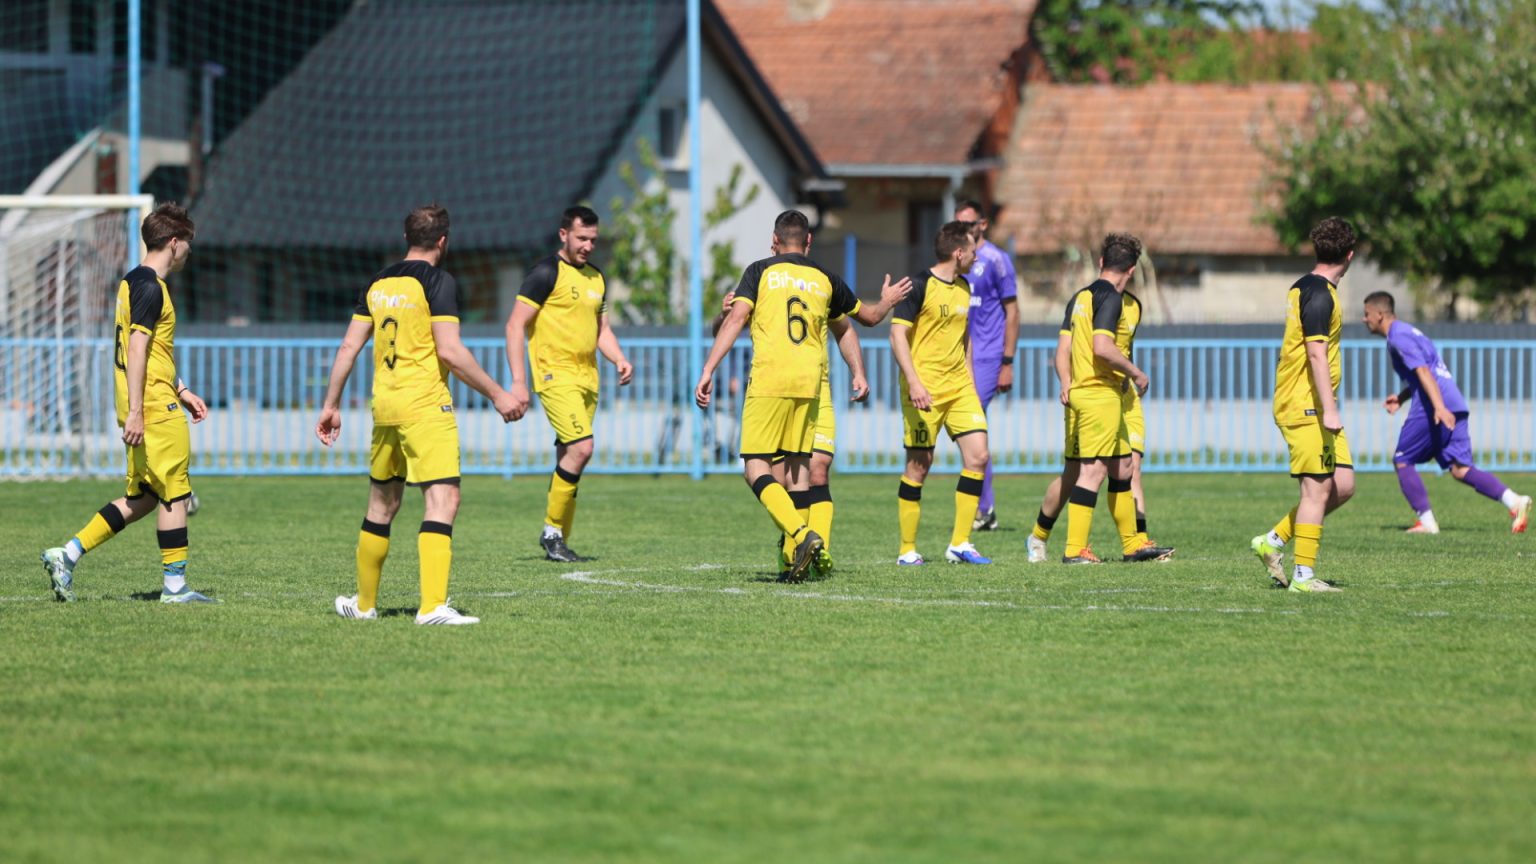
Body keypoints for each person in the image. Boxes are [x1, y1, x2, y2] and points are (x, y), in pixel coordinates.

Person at [317, 204, 519, 625]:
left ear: (406, 237)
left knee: (382, 504)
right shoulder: (438, 281)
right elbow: (450, 350)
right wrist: (498, 394)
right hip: (425, 406)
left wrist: (331, 405)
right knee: (444, 499)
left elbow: (348, 346)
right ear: (443, 241)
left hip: (385, 407)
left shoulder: (377, 282)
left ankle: (364, 605)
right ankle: (432, 607)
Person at [695, 209, 908, 582]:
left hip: (770, 380)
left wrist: (708, 369)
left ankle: (802, 535)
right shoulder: (825, 278)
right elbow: (870, 317)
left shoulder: (760, 272)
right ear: (809, 241)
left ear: (773, 241)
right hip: (809, 383)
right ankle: (796, 559)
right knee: (797, 472)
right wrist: (887, 300)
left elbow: (734, 321)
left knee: (757, 468)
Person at [40, 204, 215, 604]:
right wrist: (139, 411)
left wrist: (182, 390)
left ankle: (67, 554)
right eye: (187, 243)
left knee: (144, 497)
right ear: (174, 243)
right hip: (152, 408)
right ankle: (175, 588)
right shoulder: (153, 288)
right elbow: (137, 349)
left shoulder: (131, 281)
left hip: (144, 401)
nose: (189, 251)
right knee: (175, 493)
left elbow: (152, 352)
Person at [505, 206, 634, 562]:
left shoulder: (597, 277)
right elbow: (514, 325)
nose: (588, 246)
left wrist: (619, 358)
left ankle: (559, 541)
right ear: (564, 235)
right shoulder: (545, 273)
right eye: (581, 238)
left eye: (593, 240)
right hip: (554, 376)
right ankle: (551, 533)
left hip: (587, 379)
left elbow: (602, 330)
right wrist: (519, 382)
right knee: (582, 448)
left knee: (570, 456)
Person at [1362, 291, 1531, 534]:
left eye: (1367, 314)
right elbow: (1427, 371)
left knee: (1402, 459)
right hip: (1454, 400)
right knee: (1460, 468)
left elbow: (1423, 372)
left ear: (1379, 314)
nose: (1364, 319)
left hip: (1434, 405)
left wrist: (1439, 407)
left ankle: (1427, 522)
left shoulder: (1398, 336)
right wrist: (1402, 397)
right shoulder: (1411, 332)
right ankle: (1514, 500)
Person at [1250, 217, 1357, 592]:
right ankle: (1303, 577)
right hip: (1305, 404)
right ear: (1350, 255)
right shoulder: (1318, 294)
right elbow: (1315, 354)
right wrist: (1330, 408)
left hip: (1315, 404)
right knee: (1316, 491)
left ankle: (1273, 541)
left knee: (1343, 485)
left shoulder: (1309, 287)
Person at [1055, 233, 1173, 565]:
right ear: (1132, 270)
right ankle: (1074, 549)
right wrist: (1136, 373)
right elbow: (1102, 348)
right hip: (1097, 394)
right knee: (1092, 472)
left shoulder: (1084, 296)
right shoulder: (1110, 297)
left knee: (1123, 467)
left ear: (1102, 261)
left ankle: (1133, 544)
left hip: (1099, 393)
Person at [890, 221, 995, 565]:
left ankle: (960, 544)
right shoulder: (918, 285)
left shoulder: (965, 287)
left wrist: (970, 384)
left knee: (979, 456)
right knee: (919, 467)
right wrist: (914, 382)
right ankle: (907, 550)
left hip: (960, 389)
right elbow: (897, 336)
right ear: (958, 252)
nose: (977, 257)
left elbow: (965, 339)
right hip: (924, 390)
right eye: (973, 251)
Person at [1026, 305, 1159, 563]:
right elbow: (1064, 349)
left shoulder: (1134, 305)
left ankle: (1138, 542)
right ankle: (1039, 536)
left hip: (1123, 397)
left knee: (1129, 466)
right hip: (1089, 395)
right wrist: (1066, 382)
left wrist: (1128, 377)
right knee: (1076, 473)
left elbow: (1124, 348)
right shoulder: (1087, 299)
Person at [953, 201, 1018, 532]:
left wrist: (1007, 361)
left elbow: (1013, 311)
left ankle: (984, 508)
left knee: (972, 426)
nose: (964, 228)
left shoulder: (996, 259)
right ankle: (982, 507)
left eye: (969, 223)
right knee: (969, 431)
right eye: (958, 223)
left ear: (983, 224)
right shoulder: (954, 260)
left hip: (988, 355)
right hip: (958, 356)